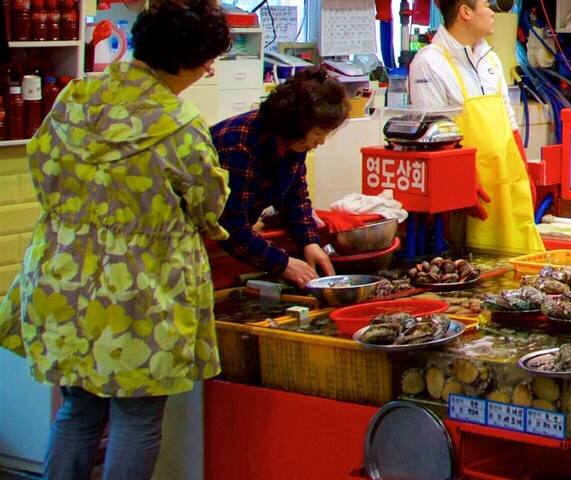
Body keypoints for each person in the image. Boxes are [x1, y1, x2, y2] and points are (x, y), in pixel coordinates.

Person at [0, 2, 232, 479]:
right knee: (136, 419)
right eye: (208, 59)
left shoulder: (76, 97)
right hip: (143, 294)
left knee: (78, 413)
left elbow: (41, 167)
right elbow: (208, 205)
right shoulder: (181, 125)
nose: (209, 70)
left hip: (62, 278)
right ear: (181, 60)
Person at [410, 0, 544, 253]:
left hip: (507, 181)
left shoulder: (490, 59)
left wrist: (524, 173)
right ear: (465, 12)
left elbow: (509, 120)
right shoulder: (429, 62)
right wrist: (461, 185)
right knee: (474, 261)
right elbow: (432, 134)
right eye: (486, 4)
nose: (492, 11)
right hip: (470, 189)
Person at [211, 68, 350, 286]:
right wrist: (283, 263)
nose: (321, 142)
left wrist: (309, 242)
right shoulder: (240, 144)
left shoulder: (293, 143)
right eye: (317, 134)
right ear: (296, 125)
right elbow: (230, 224)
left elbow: (295, 196)